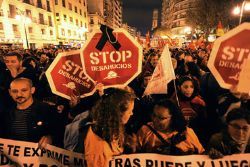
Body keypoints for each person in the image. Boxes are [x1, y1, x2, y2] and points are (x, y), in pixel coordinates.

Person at [83, 88, 136, 167]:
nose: (132, 113)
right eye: (129, 111)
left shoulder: (111, 127)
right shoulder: (99, 148)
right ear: (118, 113)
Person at [137, 99, 204, 155]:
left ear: (173, 118)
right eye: (154, 115)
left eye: (161, 118)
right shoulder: (145, 130)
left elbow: (201, 154)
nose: (155, 120)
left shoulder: (187, 133)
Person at [3, 78, 54, 148]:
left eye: (24, 90)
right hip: (11, 157)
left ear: (32, 90)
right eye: (15, 91)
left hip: (38, 157)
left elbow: (59, 132)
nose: (19, 94)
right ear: (10, 92)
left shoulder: (46, 109)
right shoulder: (5, 113)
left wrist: (50, 138)